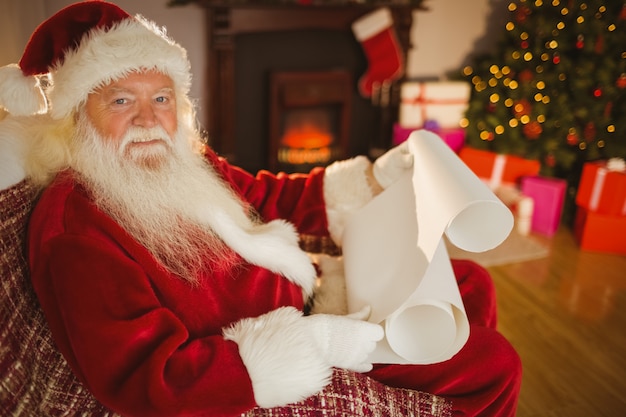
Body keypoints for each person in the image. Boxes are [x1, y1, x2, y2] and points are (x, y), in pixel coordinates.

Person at [0, 2, 521, 416]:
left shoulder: (180, 162)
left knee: (472, 282)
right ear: (75, 117)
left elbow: (270, 196)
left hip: (310, 294)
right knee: (494, 365)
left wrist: (376, 175)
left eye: (161, 99)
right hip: (282, 346)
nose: (147, 119)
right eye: (120, 100)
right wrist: (318, 343)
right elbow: (147, 378)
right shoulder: (76, 228)